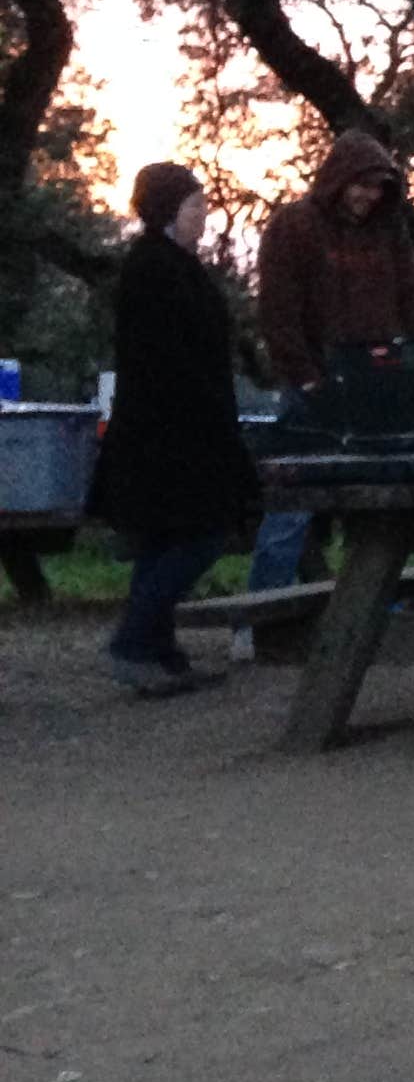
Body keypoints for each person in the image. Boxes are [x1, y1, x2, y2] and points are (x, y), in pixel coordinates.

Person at [84, 164, 257, 695]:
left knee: (165, 539)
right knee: (202, 535)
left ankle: (159, 651)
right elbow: (167, 354)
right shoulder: (152, 269)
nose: (203, 217)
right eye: (193, 207)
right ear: (166, 210)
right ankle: (134, 642)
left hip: (177, 427)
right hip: (169, 432)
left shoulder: (174, 265)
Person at [247, 129, 414, 592]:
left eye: (379, 187)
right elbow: (277, 311)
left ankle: (373, 607)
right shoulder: (294, 226)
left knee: (378, 507)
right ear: (339, 179)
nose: (369, 196)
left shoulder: (391, 231)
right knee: (290, 508)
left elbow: (410, 300)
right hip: (311, 389)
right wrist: (304, 377)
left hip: (376, 385)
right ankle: (259, 619)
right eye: (362, 184)